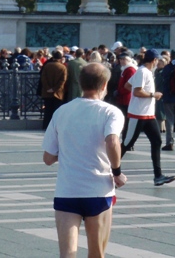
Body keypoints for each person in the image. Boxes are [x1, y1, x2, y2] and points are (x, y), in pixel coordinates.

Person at [42, 63, 127, 258]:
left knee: (67, 254)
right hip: (98, 191)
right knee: (96, 254)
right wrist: (117, 172)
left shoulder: (62, 112)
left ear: (80, 83)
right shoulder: (110, 112)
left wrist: (69, 149)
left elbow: (48, 158)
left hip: (67, 191)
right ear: (105, 84)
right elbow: (112, 141)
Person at [122, 50, 175, 186]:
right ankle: (110, 169)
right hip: (138, 114)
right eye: (157, 60)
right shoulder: (142, 72)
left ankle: (158, 176)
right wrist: (153, 95)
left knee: (157, 141)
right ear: (154, 60)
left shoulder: (145, 72)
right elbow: (136, 90)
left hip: (148, 114)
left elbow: (128, 85)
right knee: (127, 144)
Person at [40, 50, 68, 130]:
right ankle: (55, 127)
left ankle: (45, 126)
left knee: (47, 111)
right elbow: (63, 80)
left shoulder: (47, 66)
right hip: (58, 93)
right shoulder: (63, 67)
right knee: (57, 111)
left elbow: (43, 78)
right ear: (60, 58)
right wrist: (54, 89)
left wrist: (48, 88)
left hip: (47, 92)